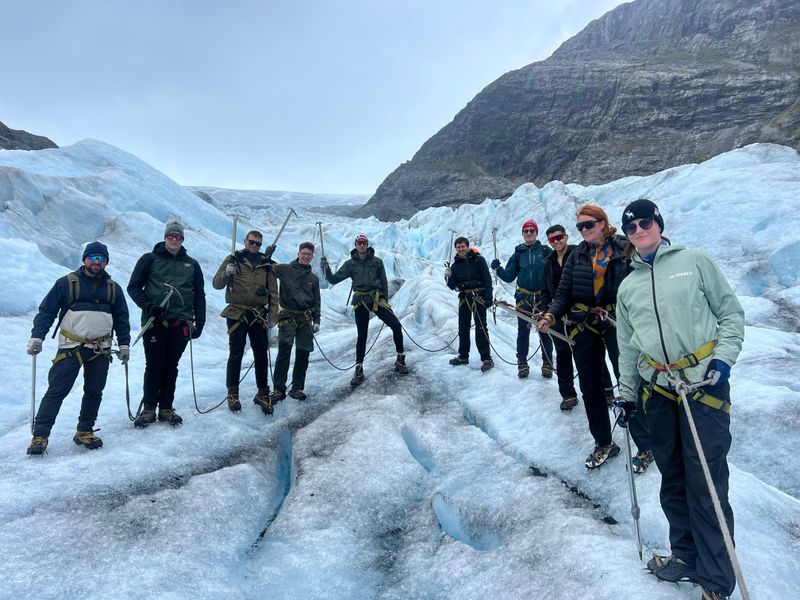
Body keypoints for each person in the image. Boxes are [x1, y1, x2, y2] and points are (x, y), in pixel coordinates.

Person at [616, 199, 744, 600]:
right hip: (659, 390)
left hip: (703, 386)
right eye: (631, 227)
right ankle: (686, 556)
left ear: (659, 223)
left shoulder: (694, 261)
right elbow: (627, 347)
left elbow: (730, 314)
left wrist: (723, 359)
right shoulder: (628, 287)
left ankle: (716, 579)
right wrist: (626, 394)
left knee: (706, 481)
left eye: (645, 222)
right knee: (672, 478)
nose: (639, 230)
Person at [537, 205, 650, 469]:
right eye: (580, 226)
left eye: (589, 224)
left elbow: (642, 286)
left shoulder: (624, 249)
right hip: (585, 325)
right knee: (590, 386)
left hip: (618, 323)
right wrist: (550, 315)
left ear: (602, 223)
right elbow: (564, 293)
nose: (584, 230)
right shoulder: (578, 255)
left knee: (629, 381)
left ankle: (646, 445)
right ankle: (604, 443)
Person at [25, 242, 130, 454]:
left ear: (106, 262)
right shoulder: (66, 283)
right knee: (57, 391)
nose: (96, 262)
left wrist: (124, 344)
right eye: (93, 257)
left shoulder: (113, 288)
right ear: (84, 259)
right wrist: (37, 337)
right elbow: (47, 312)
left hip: (101, 349)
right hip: (70, 347)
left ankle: (84, 431)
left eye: (101, 259)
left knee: (94, 391)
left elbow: (121, 318)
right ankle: (40, 436)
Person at [127, 221, 206, 427]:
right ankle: (149, 409)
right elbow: (133, 287)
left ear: (182, 239)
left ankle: (166, 408)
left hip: (181, 321)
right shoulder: (149, 259)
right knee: (154, 364)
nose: (174, 239)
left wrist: (200, 321)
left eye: (177, 236)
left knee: (172, 365)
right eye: (170, 235)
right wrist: (149, 306)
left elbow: (199, 294)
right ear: (165, 237)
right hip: (155, 321)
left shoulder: (192, 264)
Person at [541, 225, 617, 412]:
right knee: (562, 354)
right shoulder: (548, 262)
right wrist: (545, 311)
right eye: (552, 239)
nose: (556, 242)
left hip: (580, 315)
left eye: (559, 237)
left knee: (592, 354)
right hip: (558, 315)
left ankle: (606, 391)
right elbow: (545, 290)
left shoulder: (579, 255)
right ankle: (568, 394)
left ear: (566, 236)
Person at [320, 233, 408, 386]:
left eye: (364, 243)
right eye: (359, 243)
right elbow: (334, 279)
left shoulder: (377, 262)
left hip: (376, 299)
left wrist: (384, 300)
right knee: (362, 335)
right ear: (356, 245)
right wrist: (326, 269)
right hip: (360, 300)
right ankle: (359, 369)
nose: (362, 245)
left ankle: (400, 359)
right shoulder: (350, 264)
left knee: (396, 325)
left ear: (367, 245)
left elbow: (383, 282)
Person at [212, 230, 279, 413]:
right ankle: (232, 393)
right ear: (245, 241)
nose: (254, 245)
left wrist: (273, 317)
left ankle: (262, 392)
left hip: (258, 314)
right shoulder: (233, 259)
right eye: (251, 242)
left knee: (261, 354)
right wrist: (227, 274)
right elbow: (217, 283)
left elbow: (274, 293)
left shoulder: (266, 265)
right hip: (237, 313)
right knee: (236, 354)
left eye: (258, 243)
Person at [490, 219, 553, 379]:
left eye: (532, 230)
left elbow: (556, 272)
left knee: (544, 330)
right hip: (524, 298)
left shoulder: (546, 251)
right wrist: (498, 269)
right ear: (523, 234)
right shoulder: (518, 254)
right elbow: (509, 276)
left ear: (536, 233)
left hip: (543, 297)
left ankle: (547, 363)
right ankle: (522, 362)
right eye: (526, 231)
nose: (529, 233)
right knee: (523, 332)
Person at [269, 242, 321, 403]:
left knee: (303, 353)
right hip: (288, 316)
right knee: (284, 351)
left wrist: (317, 320)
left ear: (312, 256)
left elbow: (316, 301)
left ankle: (297, 388)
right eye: (303, 253)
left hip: (305, 318)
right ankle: (279, 389)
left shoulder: (313, 278)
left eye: (309, 254)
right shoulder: (285, 269)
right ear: (298, 253)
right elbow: (268, 267)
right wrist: (268, 254)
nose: (306, 256)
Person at [446, 236, 494, 372]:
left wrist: (488, 297)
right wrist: (448, 276)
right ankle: (463, 356)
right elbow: (452, 286)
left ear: (467, 246)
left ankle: (486, 358)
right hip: (465, 298)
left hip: (479, 297)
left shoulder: (479, 260)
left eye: (463, 246)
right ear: (456, 249)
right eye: (458, 247)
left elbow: (487, 279)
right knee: (463, 328)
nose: (461, 249)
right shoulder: (455, 266)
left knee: (481, 328)